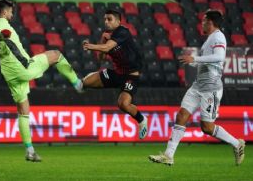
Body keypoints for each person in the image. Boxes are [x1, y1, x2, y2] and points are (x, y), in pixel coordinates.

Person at [0, 0, 83, 162]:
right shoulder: (0, 23)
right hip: (23, 68)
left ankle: (30, 151)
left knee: (23, 112)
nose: (11, 14)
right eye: (10, 11)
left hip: (11, 75)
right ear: (4, 12)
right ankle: (78, 84)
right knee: (56, 55)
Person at [149, 9, 245, 166]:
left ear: (210, 22)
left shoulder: (218, 36)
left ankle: (237, 143)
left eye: (204, 20)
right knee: (181, 116)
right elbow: (208, 61)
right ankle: (168, 155)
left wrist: (195, 58)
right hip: (198, 85)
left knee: (206, 127)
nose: (202, 23)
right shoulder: (209, 39)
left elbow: (220, 57)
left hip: (211, 89)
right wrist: (195, 63)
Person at [82, 9, 148, 139]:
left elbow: (107, 48)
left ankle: (141, 120)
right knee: (85, 83)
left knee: (123, 104)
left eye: (110, 19)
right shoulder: (107, 35)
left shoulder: (123, 32)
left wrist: (90, 46)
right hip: (116, 73)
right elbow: (101, 58)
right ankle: (89, 78)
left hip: (131, 76)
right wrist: (102, 41)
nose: (106, 22)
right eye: (105, 19)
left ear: (118, 21)